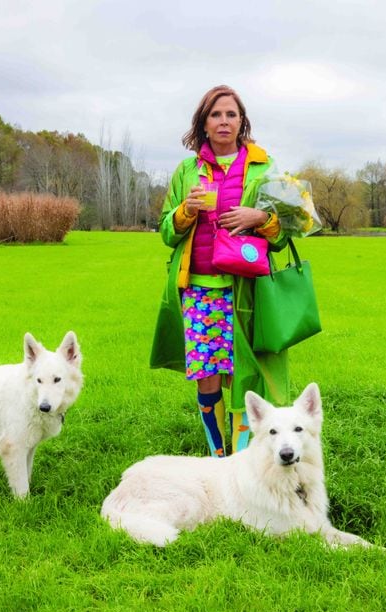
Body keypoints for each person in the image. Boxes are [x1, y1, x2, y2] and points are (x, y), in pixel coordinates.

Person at [150, 85, 290, 457]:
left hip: (248, 289)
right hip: (200, 289)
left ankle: (244, 458)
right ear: (204, 124)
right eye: (216, 114)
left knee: (247, 378)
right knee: (207, 377)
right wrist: (186, 211)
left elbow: (284, 233)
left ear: (242, 121)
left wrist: (261, 217)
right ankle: (218, 457)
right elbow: (166, 232)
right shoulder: (186, 171)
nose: (224, 121)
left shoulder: (263, 167)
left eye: (231, 114)